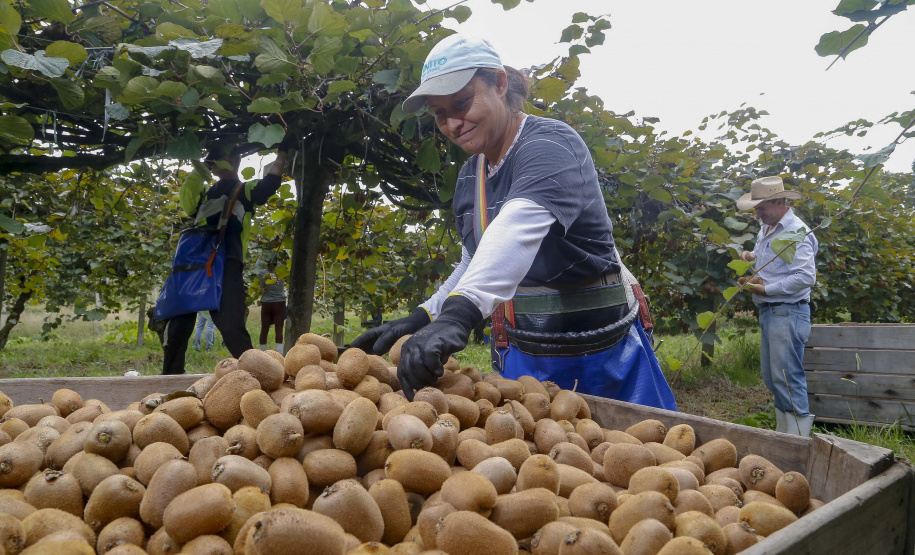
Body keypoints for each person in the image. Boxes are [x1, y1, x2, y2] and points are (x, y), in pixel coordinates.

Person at [352, 34, 676, 410]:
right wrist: (425, 315)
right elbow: (474, 261)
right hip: (524, 355)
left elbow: (517, 229)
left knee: (631, 455)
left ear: (500, 84)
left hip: (601, 352)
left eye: (461, 102)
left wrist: (459, 316)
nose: (454, 123)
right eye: (441, 114)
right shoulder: (471, 176)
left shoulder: (551, 145)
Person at [160, 139, 292, 374]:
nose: (213, 162)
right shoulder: (202, 194)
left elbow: (270, 184)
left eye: (219, 157)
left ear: (233, 161)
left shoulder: (245, 190)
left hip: (226, 266)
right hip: (192, 266)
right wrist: (203, 167)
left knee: (232, 328)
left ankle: (258, 378)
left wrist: (282, 151)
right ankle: (169, 381)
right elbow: (187, 197)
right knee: (177, 327)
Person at [736, 176, 818, 436]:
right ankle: (786, 435)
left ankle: (799, 441)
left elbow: (805, 277)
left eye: (761, 207)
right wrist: (751, 255)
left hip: (788, 310)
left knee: (786, 376)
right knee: (773, 378)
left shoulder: (796, 232)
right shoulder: (768, 228)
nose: (757, 213)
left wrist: (766, 288)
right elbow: (776, 261)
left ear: (780, 202)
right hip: (771, 311)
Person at [258, 260, 287, 354]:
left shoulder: (262, 273)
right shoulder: (281, 274)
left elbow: (257, 265)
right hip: (279, 303)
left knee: (264, 329)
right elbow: (281, 263)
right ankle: (280, 354)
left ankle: (263, 353)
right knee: (279, 329)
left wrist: (261, 257)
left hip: (266, 303)